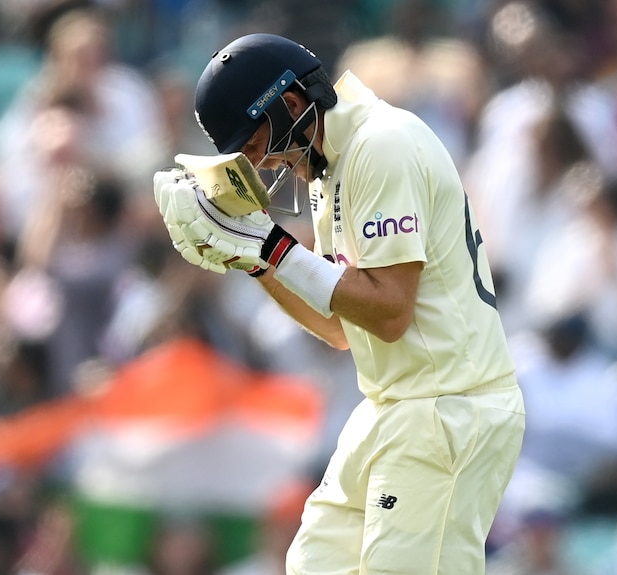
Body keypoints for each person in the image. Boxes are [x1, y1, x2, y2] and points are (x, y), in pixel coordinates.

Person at [152, 33, 526, 574]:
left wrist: (270, 244)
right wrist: (253, 260)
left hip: (448, 407)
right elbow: (341, 328)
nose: (264, 165)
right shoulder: (333, 163)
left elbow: (391, 313)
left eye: (257, 145)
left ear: (291, 105)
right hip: (392, 407)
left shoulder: (382, 144)